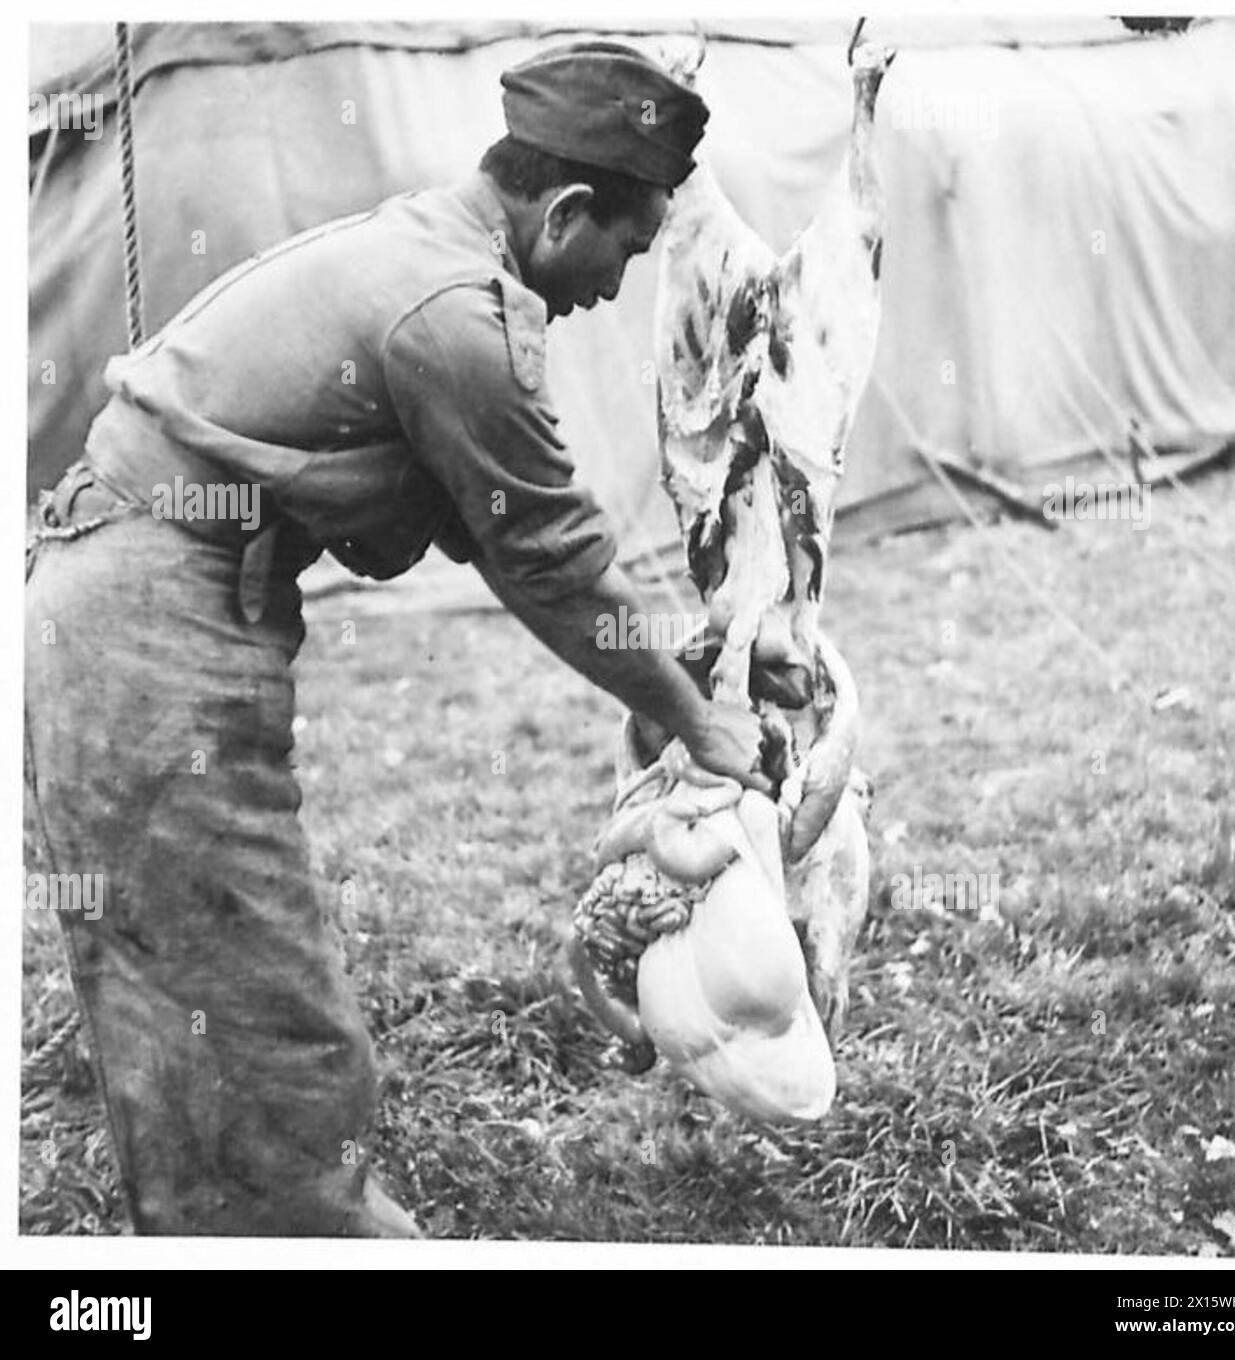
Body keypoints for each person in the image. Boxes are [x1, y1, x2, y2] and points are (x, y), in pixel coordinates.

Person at [24, 40, 766, 1237]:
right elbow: (549, 558)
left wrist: (694, 657)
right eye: (625, 250)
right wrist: (697, 716)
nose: (616, 287)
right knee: (258, 1012)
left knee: (184, 988)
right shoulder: (456, 318)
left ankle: (222, 1230)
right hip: (145, 635)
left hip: (126, 612)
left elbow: (515, 529)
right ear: (567, 208)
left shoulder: (430, 244)